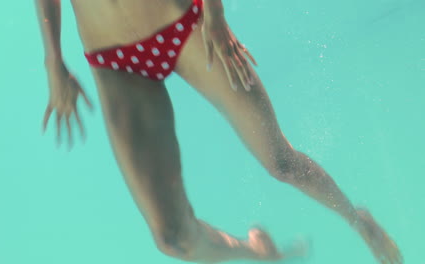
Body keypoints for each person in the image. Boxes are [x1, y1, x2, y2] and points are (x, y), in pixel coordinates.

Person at [35, 0, 403, 263]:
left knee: (282, 163)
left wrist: (215, 13)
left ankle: (359, 221)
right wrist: (54, 61)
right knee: (173, 240)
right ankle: (255, 252)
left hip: (187, 24)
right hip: (115, 60)